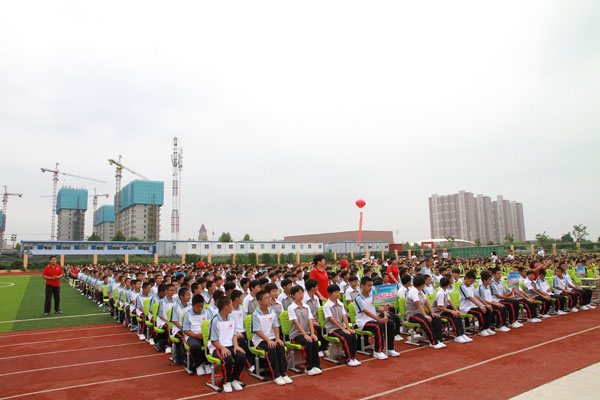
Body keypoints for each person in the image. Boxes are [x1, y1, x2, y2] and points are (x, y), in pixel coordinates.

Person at [251, 290, 292, 385]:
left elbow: (275, 326)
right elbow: (257, 331)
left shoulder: (272, 312)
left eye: (269, 298)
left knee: (281, 347)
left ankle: (283, 373)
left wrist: (277, 338)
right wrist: (268, 340)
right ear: (260, 301)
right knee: (272, 348)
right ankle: (276, 375)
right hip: (260, 340)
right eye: (266, 299)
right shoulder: (256, 314)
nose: (269, 300)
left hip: (272, 337)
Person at [354, 276, 399, 359]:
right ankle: (378, 351)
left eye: (371, 285)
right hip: (363, 322)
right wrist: (379, 319)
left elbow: (377, 308)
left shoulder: (372, 296)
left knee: (390, 323)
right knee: (378, 325)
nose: (371, 287)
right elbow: (367, 312)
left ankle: (390, 348)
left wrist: (384, 310)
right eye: (368, 285)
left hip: (373, 320)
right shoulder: (358, 298)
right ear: (362, 285)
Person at [208, 296, 247, 393]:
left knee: (241, 356)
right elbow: (213, 340)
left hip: (230, 345)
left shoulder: (232, 318)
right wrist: (223, 348)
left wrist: (236, 346)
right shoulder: (215, 320)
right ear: (225, 307)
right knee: (227, 358)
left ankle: (235, 379)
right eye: (230, 305)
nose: (231, 307)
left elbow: (234, 334)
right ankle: (226, 382)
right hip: (217, 347)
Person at [323, 284, 360, 366]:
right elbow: (332, 319)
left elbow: (344, 316)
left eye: (338, 292)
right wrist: (343, 329)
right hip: (332, 329)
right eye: (335, 292)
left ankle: (354, 357)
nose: (337, 294)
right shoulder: (327, 305)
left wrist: (347, 327)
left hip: (341, 327)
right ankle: (349, 359)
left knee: (353, 334)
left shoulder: (340, 304)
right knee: (346, 337)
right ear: (329, 294)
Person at [287, 285, 322, 375]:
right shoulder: (291, 308)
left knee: (314, 339)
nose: (301, 295)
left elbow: (310, 320)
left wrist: (312, 333)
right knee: (308, 342)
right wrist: (305, 335)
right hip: (296, 335)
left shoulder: (306, 306)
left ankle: (316, 365)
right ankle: (308, 367)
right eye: (298, 293)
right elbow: (296, 323)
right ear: (293, 295)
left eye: (302, 292)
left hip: (306, 332)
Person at [406, 275, 445, 348]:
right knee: (425, 321)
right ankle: (433, 342)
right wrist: (425, 315)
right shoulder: (413, 291)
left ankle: (438, 339)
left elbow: (426, 302)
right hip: (412, 315)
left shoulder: (420, 291)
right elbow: (418, 303)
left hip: (420, 313)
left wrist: (432, 312)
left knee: (436, 318)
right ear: (422, 285)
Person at [433, 277, 470, 343]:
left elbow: (450, 301)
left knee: (457, 314)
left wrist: (456, 310)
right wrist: (451, 311)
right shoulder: (440, 293)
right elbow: (439, 307)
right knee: (453, 316)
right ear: (448, 285)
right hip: (438, 312)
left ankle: (462, 333)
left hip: (443, 310)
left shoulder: (445, 291)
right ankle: (457, 335)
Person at [182, 294, 210, 376]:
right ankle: (198, 365)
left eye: (201, 306)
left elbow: (211, 324)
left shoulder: (207, 313)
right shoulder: (188, 315)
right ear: (193, 305)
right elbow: (186, 330)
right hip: (192, 336)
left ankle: (207, 363)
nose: (200, 308)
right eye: (198, 307)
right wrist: (196, 335)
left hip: (205, 335)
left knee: (210, 343)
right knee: (195, 346)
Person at [459, 271, 494, 336]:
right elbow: (469, 298)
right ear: (466, 278)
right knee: (480, 312)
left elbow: (477, 296)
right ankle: (481, 329)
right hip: (466, 308)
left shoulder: (471, 286)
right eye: (471, 281)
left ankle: (487, 327)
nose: (471, 283)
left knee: (487, 309)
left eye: (472, 281)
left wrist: (486, 304)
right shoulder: (462, 287)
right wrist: (480, 305)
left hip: (473, 306)